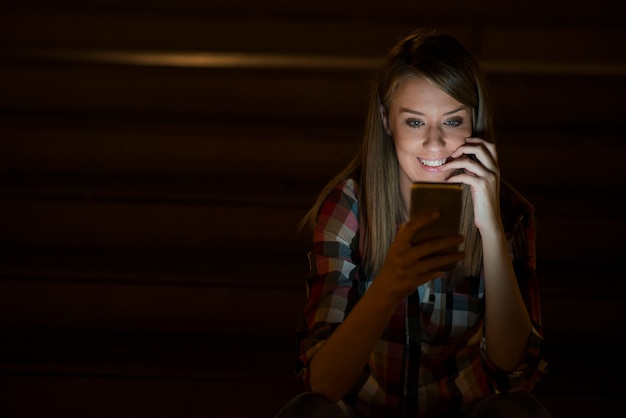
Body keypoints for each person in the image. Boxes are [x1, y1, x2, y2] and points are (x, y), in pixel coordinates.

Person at [276, 29, 550, 417]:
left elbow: (513, 369)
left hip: (465, 409)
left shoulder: (509, 212)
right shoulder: (349, 208)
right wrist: (389, 285)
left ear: (475, 122)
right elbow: (322, 384)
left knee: (521, 412)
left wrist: (489, 229)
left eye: (453, 121)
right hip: (365, 411)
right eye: (416, 123)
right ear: (388, 121)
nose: (436, 144)